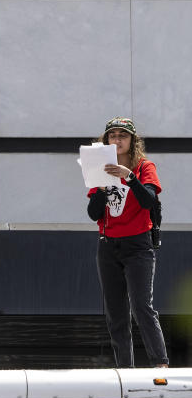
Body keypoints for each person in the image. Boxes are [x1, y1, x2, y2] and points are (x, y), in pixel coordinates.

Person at [86, 117, 168, 368]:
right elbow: (93, 214)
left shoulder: (144, 167)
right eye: (113, 135)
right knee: (116, 313)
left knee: (142, 306)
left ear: (132, 141)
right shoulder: (99, 168)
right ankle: (125, 370)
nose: (117, 139)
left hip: (138, 245)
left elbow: (149, 202)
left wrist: (130, 177)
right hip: (108, 245)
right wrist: (100, 188)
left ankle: (160, 363)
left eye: (123, 135)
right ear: (106, 140)